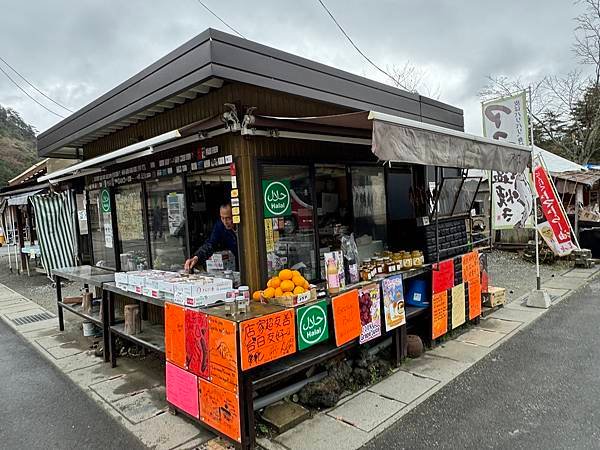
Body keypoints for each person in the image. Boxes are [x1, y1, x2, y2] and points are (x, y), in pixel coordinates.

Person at [184, 203, 238, 271]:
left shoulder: (244, 226)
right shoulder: (220, 226)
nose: (225, 222)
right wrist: (196, 257)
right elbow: (210, 244)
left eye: (228, 218)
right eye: (222, 218)